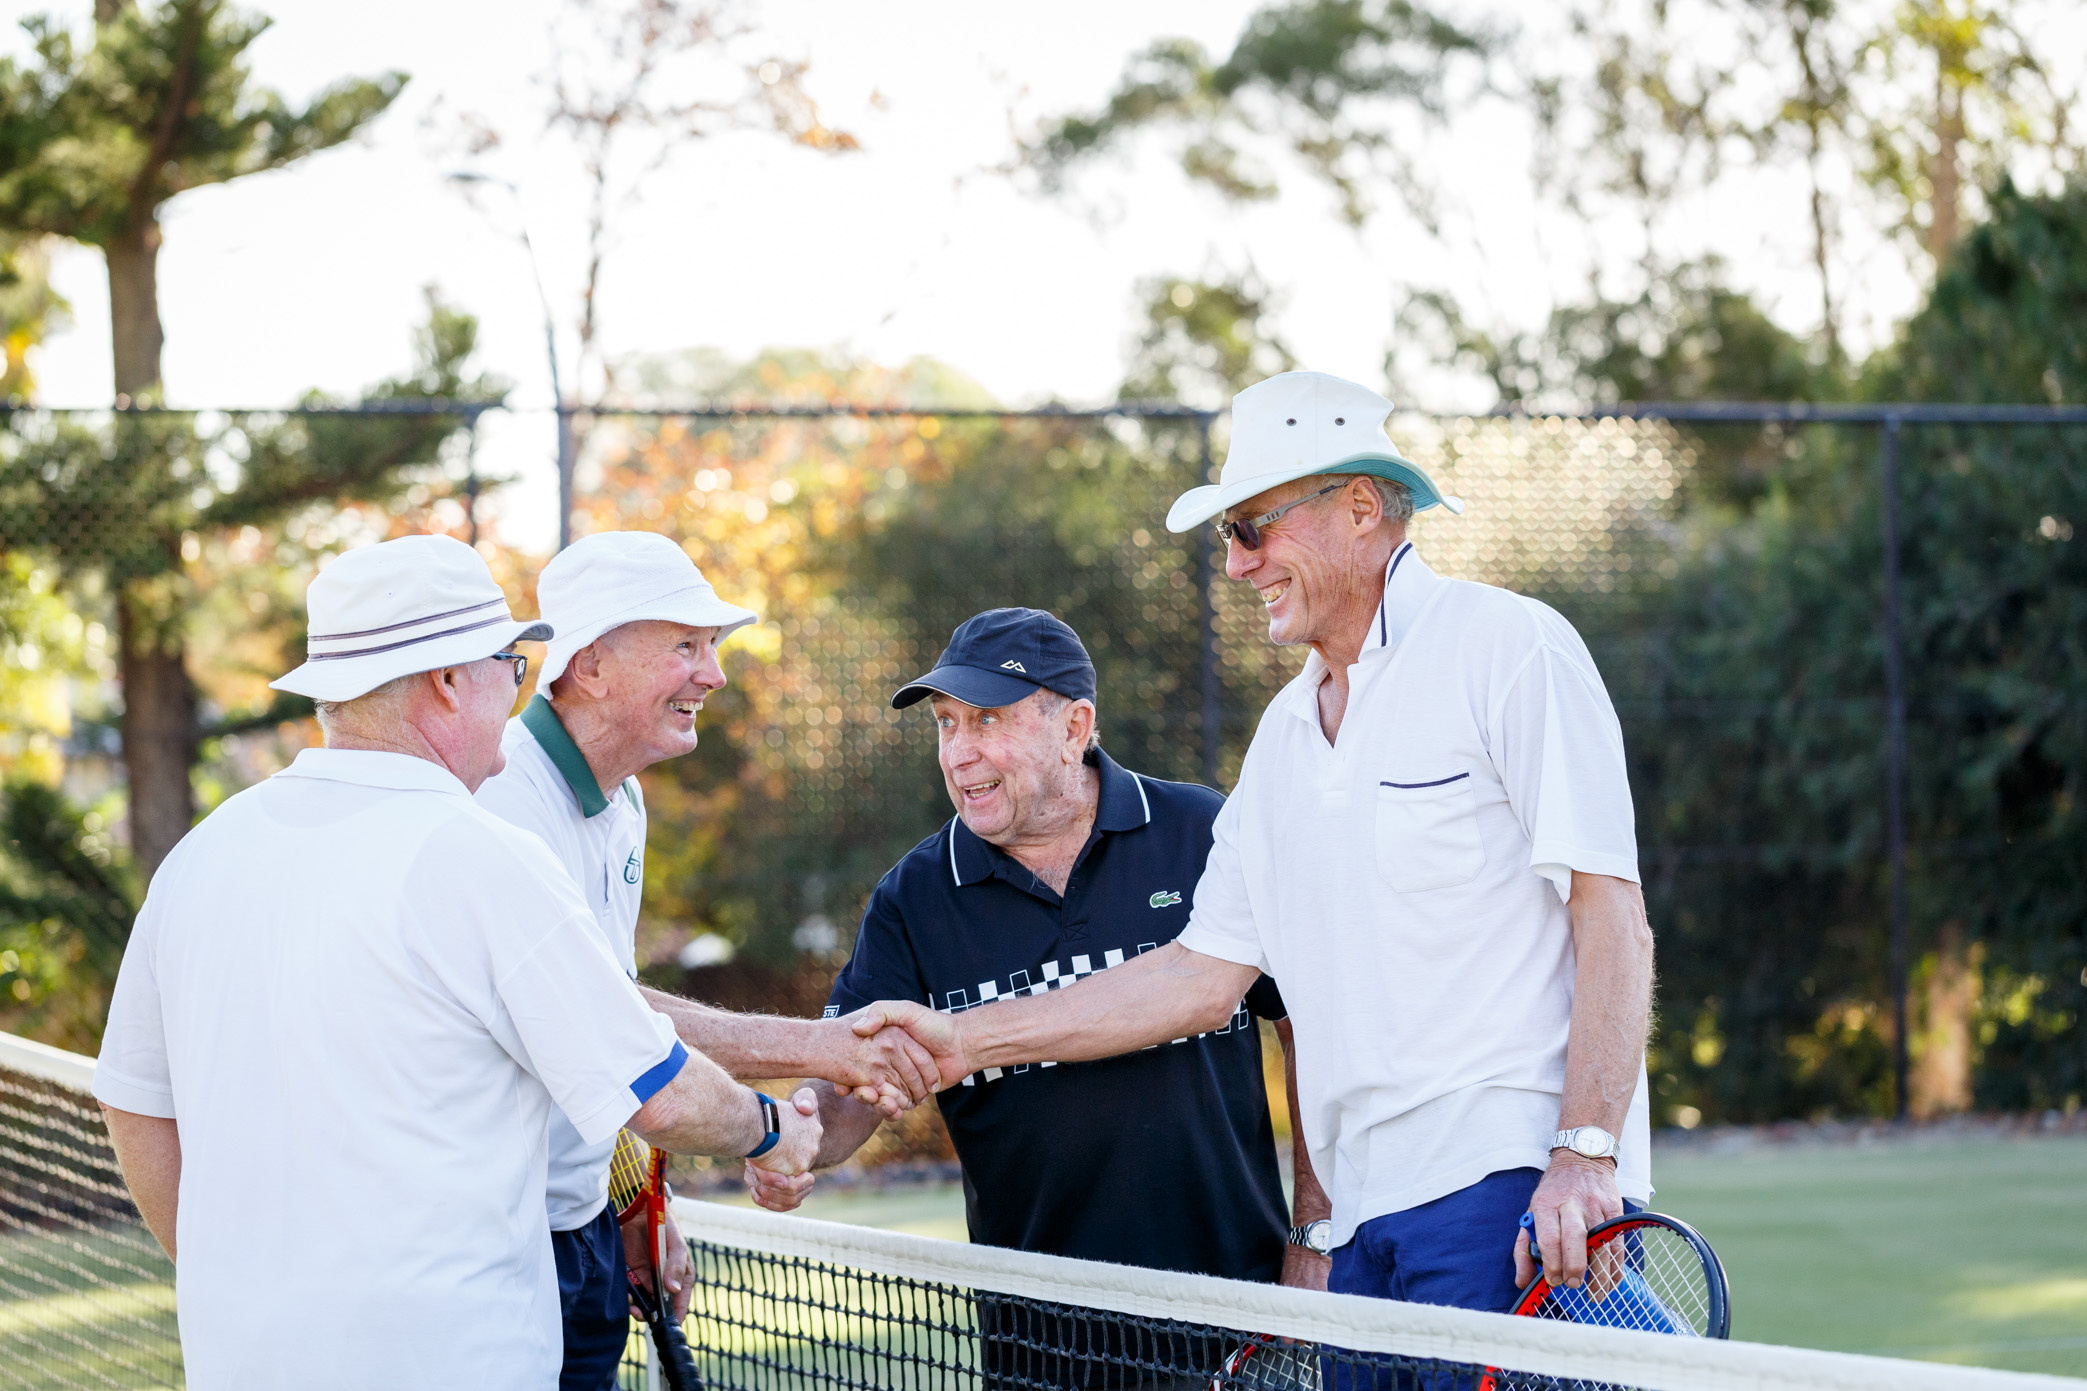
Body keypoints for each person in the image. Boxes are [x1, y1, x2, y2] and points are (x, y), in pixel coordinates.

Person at [853, 371, 1656, 1316]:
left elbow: (1610, 912)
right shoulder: (1280, 738)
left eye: (1251, 528)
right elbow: (1195, 976)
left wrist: (1584, 1151)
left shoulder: (1508, 644)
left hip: (1508, 1190)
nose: (1236, 564)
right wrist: (960, 1038)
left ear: (1360, 508)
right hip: (1363, 1228)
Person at [91, 534, 822, 1391]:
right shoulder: (479, 855)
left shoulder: (201, 856)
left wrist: (233, 1283)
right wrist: (774, 1130)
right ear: (447, 681)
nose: (518, 692)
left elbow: (133, 1102)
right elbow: (656, 1090)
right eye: (509, 666)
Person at [753, 607, 1329, 1387]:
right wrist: (793, 1137)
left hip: (1235, 1325)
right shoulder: (912, 899)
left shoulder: (1202, 832)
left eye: (986, 719)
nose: (958, 751)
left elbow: (1312, 1024)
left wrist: (1313, 1232)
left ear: (1074, 727)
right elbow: (855, 1078)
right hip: (1040, 1347)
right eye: (946, 723)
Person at [474, 529, 938, 1390]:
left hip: (580, 1228)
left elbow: (604, 1017)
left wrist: (633, 1197)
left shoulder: (623, 802)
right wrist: (828, 1051)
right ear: (590, 664)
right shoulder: (503, 803)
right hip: (502, 1250)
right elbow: (610, 1021)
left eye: (711, 646)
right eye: (685, 646)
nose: (714, 674)